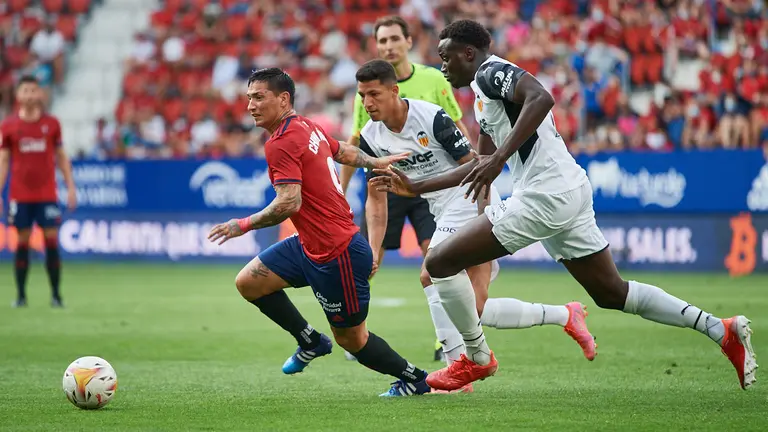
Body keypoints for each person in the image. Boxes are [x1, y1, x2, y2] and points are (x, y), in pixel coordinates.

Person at [371, 19, 757, 391]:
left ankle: (476, 357)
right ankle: (720, 329)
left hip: (545, 193)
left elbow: (542, 96)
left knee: (438, 264)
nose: (442, 66)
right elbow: (477, 166)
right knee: (611, 293)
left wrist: (501, 157)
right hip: (566, 191)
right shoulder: (481, 96)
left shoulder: (491, 72)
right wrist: (416, 186)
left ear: (468, 53)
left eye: (447, 57)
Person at [355, 59, 596, 392]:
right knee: (473, 309)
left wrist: (486, 215)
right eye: (362, 96)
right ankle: (565, 315)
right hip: (442, 210)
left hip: (471, 197)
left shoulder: (431, 118)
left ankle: (455, 373)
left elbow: (475, 167)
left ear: (393, 91)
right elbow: (376, 199)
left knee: (431, 273)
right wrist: (373, 251)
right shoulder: (370, 138)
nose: (367, 103)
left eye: (373, 94)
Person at [207, 68, 432, 397]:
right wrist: (375, 161)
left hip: (337, 253)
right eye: (248, 99)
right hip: (309, 245)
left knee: (353, 341)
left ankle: (414, 378)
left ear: (283, 99)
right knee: (249, 282)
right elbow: (342, 150)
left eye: (258, 97)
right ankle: (310, 340)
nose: (250, 106)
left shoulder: (281, 142)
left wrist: (241, 225)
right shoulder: (304, 126)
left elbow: (288, 203)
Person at [339, 14, 474, 363]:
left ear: (408, 42)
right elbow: (357, 146)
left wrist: (478, 180)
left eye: (394, 39)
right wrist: (341, 188)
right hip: (400, 186)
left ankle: (451, 356)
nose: (388, 46)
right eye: (382, 41)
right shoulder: (369, 113)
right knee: (371, 261)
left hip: (447, 190)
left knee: (435, 269)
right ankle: (358, 337)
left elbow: (460, 136)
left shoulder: (431, 87)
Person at [0, 75, 76, 308]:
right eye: (26, 91)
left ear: (40, 94)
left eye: (34, 90)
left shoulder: (52, 125)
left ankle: (56, 295)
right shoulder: (9, 126)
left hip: (47, 195)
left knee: (51, 241)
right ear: (18, 95)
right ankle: (21, 296)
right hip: (20, 195)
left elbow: (61, 157)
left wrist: (70, 187)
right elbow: (3, 160)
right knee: (21, 242)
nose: (30, 95)